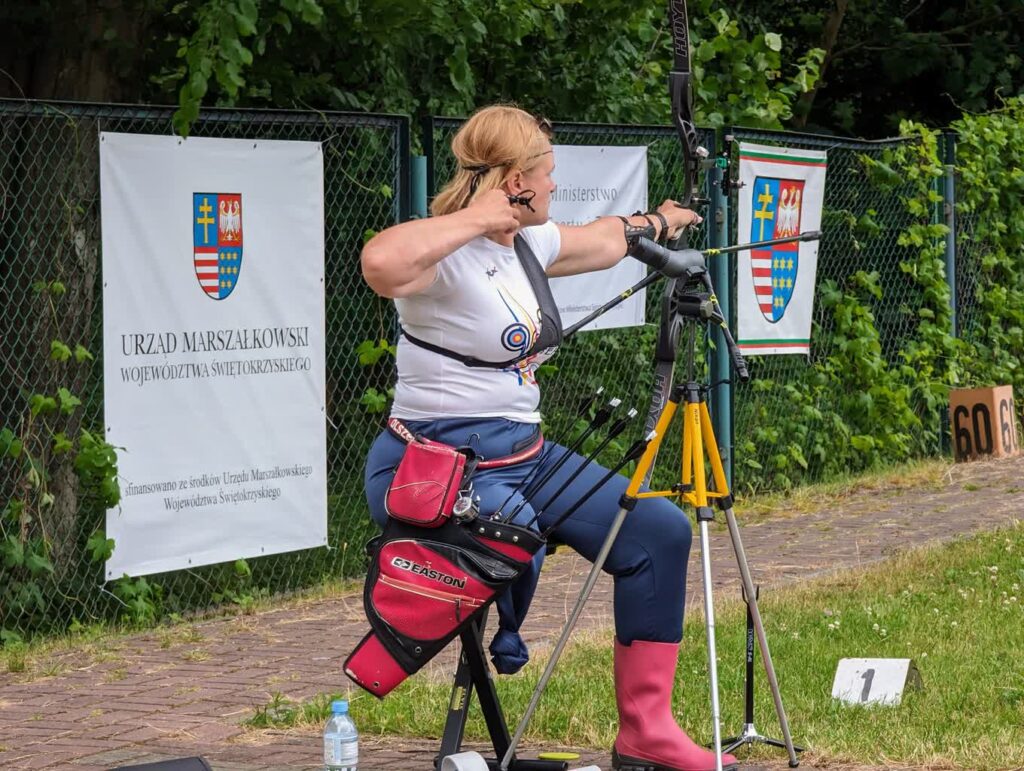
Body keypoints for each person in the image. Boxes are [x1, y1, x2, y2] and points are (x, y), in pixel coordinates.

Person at [360, 104, 737, 771]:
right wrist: (481, 215)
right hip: (434, 463)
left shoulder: (528, 245)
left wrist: (663, 221)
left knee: (658, 531)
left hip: (522, 453)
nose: (555, 186)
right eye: (546, 174)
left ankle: (647, 730)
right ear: (513, 181)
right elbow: (379, 260)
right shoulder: (442, 254)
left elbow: (601, 239)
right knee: (514, 530)